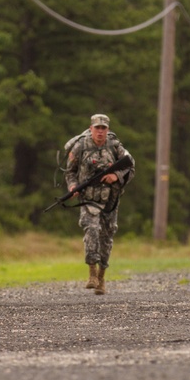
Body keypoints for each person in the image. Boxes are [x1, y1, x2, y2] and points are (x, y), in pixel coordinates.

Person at [64, 113, 134, 294]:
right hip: (88, 200)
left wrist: (115, 176)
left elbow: (130, 166)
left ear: (107, 130)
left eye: (103, 128)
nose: (100, 132)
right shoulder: (80, 146)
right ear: (91, 129)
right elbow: (69, 171)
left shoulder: (115, 147)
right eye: (97, 128)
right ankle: (92, 273)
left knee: (107, 238)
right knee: (92, 230)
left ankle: (102, 276)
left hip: (110, 200)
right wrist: (72, 186)